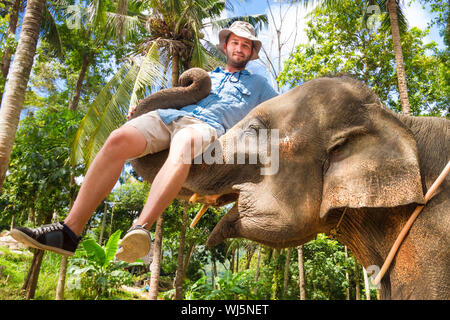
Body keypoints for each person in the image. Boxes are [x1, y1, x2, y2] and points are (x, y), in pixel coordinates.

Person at [11, 21, 279, 262]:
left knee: (184, 142)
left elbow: (284, 111)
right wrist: (145, 108)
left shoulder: (260, 86)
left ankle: (140, 228)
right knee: (117, 139)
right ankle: (69, 231)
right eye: (235, 42)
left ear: (251, 51)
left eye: (246, 45)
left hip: (206, 128)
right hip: (170, 115)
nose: (240, 48)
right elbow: (179, 95)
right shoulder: (210, 75)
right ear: (226, 45)